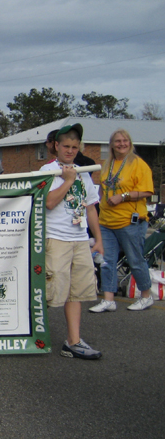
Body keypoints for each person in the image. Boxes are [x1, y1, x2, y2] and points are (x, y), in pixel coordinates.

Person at [42, 124, 103, 359]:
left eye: (74, 147)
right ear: (56, 146)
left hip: (79, 238)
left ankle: (73, 341)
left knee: (76, 292)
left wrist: (97, 239)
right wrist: (67, 180)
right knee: (50, 291)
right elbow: (48, 202)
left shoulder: (84, 171)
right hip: (56, 238)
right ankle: (27, 332)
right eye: (66, 146)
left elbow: (90, 207)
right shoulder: (47, 170)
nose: (70, 150)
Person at [90, 128, 155, 313]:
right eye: (118, 141)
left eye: (125, 140)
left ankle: (146, 295)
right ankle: (108, 298)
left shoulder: (138, 163)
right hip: (106, 221)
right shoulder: (107, 164)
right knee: (106, 260)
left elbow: (148, 191)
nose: (122, 144)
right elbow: (103, 189)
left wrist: (123, 196)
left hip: (129, 221)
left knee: (135, 260)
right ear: (111, 144)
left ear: (130, 143)